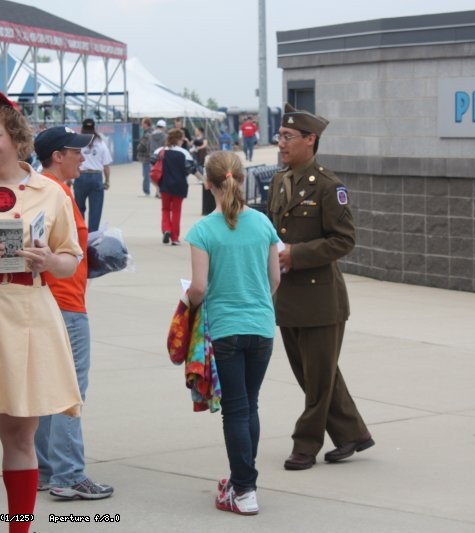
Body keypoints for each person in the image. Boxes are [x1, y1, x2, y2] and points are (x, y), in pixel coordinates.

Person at [0, 87, 83, 533]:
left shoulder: (50, 192)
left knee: (20, 433)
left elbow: (72, 258)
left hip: (28, 311)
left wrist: (50, 261)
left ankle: (19, 529)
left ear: (15, 137)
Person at [267, 102, 374, 471]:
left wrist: (296, 254)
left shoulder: (329, 186)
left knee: (317, 381)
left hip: (320, 300)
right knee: (316, 375)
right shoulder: (280, 180)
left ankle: (306, 444)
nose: (281, 143)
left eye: (288, 137)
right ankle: (353, 434)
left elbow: (344, 240)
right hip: (288, 298)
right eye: (280, 136)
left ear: (310, 140)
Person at [186, 150, 280, 515]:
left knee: (235, 411)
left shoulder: (202, 231)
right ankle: (243, 480)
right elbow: (275, 278)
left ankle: (244, 489)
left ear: (207, 184)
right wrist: (255, 302)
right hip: (261, 327)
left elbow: (198, 288)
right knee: (249, 406)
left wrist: (190, 307)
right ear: (240, 179)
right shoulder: (263, 224)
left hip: (225, 330)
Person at [33, 126, 114, 501]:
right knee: (68, 392)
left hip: (51, 300)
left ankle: (48, 469)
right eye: (77, 151)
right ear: (57, 156)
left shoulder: (40, 191)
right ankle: (68, 473)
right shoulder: (57, 194)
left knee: (47, 389)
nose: (84, 156)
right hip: (64, 304)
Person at [152, 127, 197, 245]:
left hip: (165, 185)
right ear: (178, 139)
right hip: (180, 185)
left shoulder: (160, 151)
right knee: (176, 211)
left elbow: (153, 164)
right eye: (182, 139)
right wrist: (203, 179)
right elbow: (191, 169)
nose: (183, 141)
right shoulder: (184, 153)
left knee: (165, 209)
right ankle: (175, 238)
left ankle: (166, 229)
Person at [75, 118, 112, 232]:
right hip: (96, 177)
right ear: (94, 128)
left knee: (79, 209)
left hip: (80, 176)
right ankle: (92, 237)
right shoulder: (100, 143)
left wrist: (70, 179)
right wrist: (107, 180)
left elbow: (71, 161)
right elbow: (106, 165)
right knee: (95, 210)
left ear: (82, 127)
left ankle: (80, 234)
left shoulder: (77, 141)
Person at [147, 119, 168, 198]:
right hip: (161, 157)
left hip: (152, 156)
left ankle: (157, 190)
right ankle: (159, 191)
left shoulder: (151, 135)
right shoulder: (165, 136)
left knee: (154, 175)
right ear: (163, 127)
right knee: (161, 175)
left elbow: (148, 146)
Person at [135, 117, 154, 197]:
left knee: (146, 175)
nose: (141, 125)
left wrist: (138, 147)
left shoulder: (147, 134)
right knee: (147, 174)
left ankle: (147, 191)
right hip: (150, 156)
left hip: (147, 157)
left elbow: (142, 146)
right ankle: (148, 190)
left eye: (142, 123)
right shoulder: (151, 132)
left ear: (146, 124)